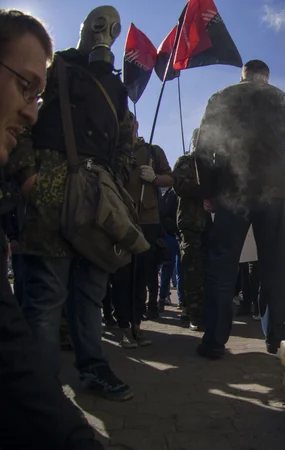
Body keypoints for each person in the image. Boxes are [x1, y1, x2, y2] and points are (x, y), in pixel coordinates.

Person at [7, 6, 133, 400]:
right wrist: (29, 174)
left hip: (98, 193)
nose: (106, 33)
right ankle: (41, 388)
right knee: (47, 292)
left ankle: (93, 368)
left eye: (113, 28)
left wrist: (118, 184)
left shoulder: (117, 87)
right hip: (51, 186)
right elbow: (20, 114)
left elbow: (124, 141)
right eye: (99, 25)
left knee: (90, 291)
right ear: (83, 29)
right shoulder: (55, 68)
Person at [0, 8, 104, 449]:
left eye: (37, 96)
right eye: (24, 87)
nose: (31, 114)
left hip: (79, 206)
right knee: (44, 301)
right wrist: (27, 176)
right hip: (45, 206)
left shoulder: (101, 82)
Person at [195, 59, 285, 359]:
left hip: (233, 192)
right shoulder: (277, 96)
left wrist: (208, 191)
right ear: (265, 77)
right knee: (274, 266)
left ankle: (215, 341)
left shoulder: (222, 96)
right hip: (274, 193)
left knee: (222, 266)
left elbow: (204, 147)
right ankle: (275, 339)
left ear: (242, 75)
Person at [111, 116, 173, 347]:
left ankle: (137, 324)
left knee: (143, 276)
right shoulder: (113, 151)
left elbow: (171, 178)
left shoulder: (152, 151)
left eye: (131, 125)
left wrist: (155, 178)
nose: (129, 129)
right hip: (120, 220)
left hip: (147, 221)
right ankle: (124, 326)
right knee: (122, 276)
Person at [172, 140, 211, 331]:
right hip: (191, 224)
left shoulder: (212, 164)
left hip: (209, 225)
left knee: (207, 269)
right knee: (192, 269)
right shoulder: (186, 161)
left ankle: (207, 310)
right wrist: (203, 191)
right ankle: (193, 312)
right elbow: (178, 185)